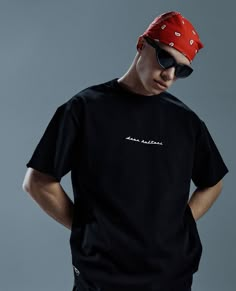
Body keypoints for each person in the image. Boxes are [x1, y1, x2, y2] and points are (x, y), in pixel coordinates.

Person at [22, 11, 229, 291]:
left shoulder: (186, 122)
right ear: (142, 45)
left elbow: (213, 182)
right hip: (102, 275)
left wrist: (180, 223)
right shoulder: (85, 109)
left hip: (170, 275)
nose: (169, 75)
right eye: (166, 59)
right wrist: (88, 229)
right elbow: (38, 181)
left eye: (182, 70)